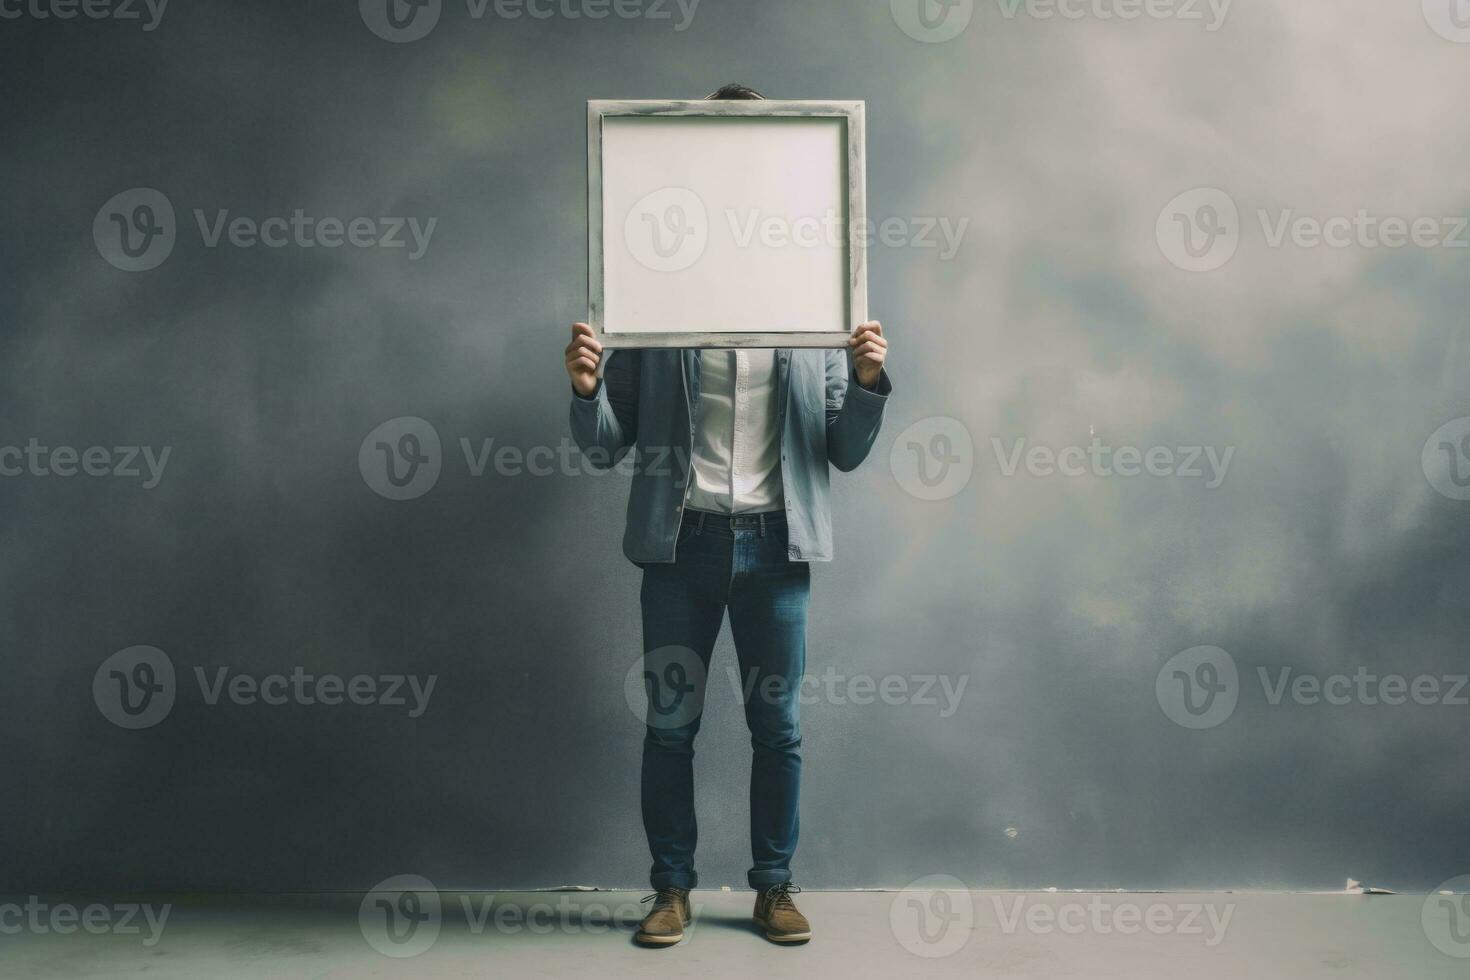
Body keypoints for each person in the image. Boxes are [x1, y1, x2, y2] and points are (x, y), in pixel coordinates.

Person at [566, 83, 893, 947]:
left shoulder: (814, 307)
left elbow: (843, 451)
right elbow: (607, 445)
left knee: (777, 728)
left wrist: (864, 385)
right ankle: (669, 889)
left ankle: (773, 888)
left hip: (777, 550)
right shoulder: (657, 306)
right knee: (671, 727)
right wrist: (586, 387)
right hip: (682, 551)